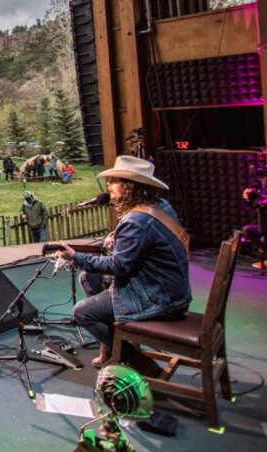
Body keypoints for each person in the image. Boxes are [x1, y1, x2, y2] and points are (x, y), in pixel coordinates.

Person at [60, 156, 192, 369]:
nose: (109, 185)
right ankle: (110, 349)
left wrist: (75, 257)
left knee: (82, 312)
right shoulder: (160, 206)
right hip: (171, 290)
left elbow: (119, 266)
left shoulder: (136, 221)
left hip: (159, 300)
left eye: (115, 180)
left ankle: (139, 363)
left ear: (130, 186)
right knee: (90, 278)